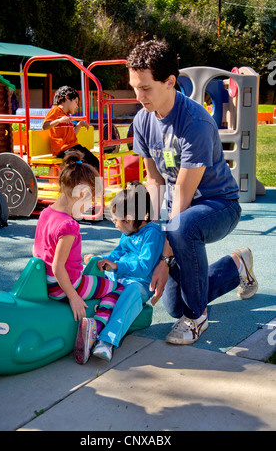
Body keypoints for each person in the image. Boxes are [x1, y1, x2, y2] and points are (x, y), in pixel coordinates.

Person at [126, 40, 258, 345]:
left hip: (217, 205)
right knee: (174, 306)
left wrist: (163, 258)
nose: (138, 95)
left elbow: (183, 195)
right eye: (135, 86)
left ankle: (198, 318)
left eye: (145, 87)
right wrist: (146, 229)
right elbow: (154, 181)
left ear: (170, 82)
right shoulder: (142, 120)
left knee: (183, 229)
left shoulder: (195, 122)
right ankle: (237, 265)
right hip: (180, 211)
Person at [33, 150, 124, 364]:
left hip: (46, 283)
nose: (88, 206)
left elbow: (38, 252)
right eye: (89, 200)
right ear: (79, 195)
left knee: (90, 273)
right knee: (117, 288)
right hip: (65, 284)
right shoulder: (69, 225)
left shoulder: (46, 213)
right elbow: (58, 267)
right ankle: (94, 329)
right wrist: (73, 296)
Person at [84, 182, 165, 361]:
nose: (115, 225)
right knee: (93, 277)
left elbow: (144, 268)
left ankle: (107, 342)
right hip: (119, 280)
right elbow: (115, 255)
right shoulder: (127, 234)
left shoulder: (153, 233)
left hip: (140, 285)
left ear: (128, 218)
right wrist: (98, 260)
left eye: (115, 221)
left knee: (132, 291)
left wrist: (117, 266)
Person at [43, 86, 99, 171]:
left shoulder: (67, 116)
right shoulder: (55, 110)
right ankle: (82, 183)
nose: (77, 106)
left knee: (95, 162)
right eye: (76, 102)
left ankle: (97, 184)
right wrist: (59, 120)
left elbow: (71, 135)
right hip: (63, 150)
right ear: (67, 98)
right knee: (81, 165)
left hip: (73, 147)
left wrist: (79, 125)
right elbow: (45, 126)